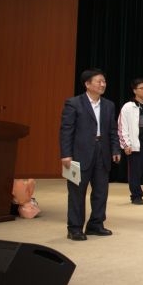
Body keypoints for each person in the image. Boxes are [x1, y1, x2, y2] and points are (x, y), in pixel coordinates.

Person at [59, 68, 121, 241]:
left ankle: (95, 224)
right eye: (99, 81)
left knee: (101, 191)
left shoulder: (108, 105)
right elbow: (66, 131)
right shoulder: (73, 103)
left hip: (102, 152)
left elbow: (113, 130)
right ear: (87, 84)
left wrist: (115, 149)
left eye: (104, 81)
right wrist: (66, 154)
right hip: (79, 154)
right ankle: (74, 228)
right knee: (77, 193)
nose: (103, 84)